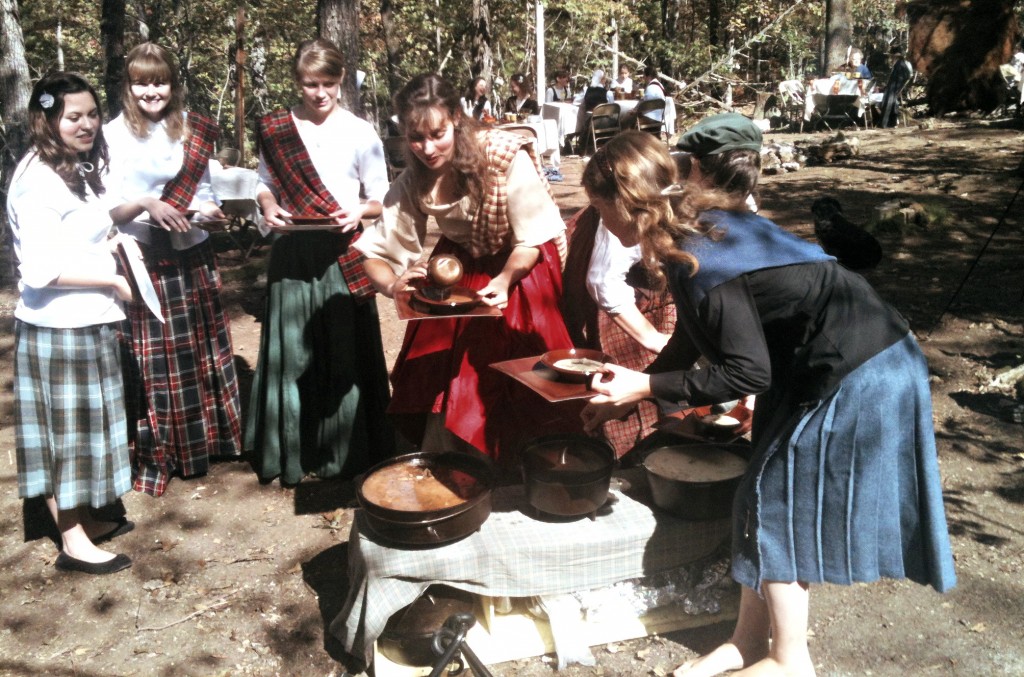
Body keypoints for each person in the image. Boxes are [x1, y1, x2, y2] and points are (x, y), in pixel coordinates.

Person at [579, 123, 956, 677]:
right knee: (757, 494)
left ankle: (789, 659)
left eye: (599, 207)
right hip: (817, 361)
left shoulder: (703, 247)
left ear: (628, 203)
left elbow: (744, 371)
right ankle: (749, 640)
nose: (599, 221)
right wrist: (632, 395)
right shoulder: (686, 230)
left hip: (862, 364)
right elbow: (693, 338)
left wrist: (647, 388)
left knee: (775, 500)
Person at [355, 72, 576, 469]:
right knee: (445, 372)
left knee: (514, 370)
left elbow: (530, 241)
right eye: (416, 138)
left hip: (519, 269)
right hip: (458, 269)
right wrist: (393, 288)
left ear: (456, 117)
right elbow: (375, 251)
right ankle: (459, 465)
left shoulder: (502, 156)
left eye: (437, 134)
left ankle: (527, 467)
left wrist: (505, 280)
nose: (427, 148)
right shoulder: (411, 180)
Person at [245, 38, 394, 485]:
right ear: (298, 82)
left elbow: (382, 196)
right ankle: (293, 450)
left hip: (344, 252)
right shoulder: (276, 128)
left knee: (343, 350)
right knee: (292, 354)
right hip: (292, 252)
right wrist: (268, 205)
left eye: (329, 83)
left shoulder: (360, 131)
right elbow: (263, 181)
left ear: (342, 80)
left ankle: (346, 452)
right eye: (311, 84)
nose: (321, 93)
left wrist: (359, 212)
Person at [9, 72, 135, 575]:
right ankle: (72, 539)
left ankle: (80, 519)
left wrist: (107, 249)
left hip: (87, 322)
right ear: (47, 120)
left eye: (91, 114)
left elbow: (73, 240)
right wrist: (111, 282)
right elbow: (41, 270)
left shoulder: (74, 169)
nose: (85, 125)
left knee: (85, 431)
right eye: (72, 116)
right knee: (66, 436)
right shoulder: (37, 180)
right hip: (58, 328)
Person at [105, 43, 242, 497]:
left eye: (159, 81)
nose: (151, 91)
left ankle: (209, 443)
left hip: (192, 249)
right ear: (128, 86)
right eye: (142, 82)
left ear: (172, 84)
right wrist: (148, 205)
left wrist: (210, 210)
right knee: (157, 357)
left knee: (200, 348)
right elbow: (110, 208)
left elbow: (205, 190)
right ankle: (162, 452)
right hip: (144, 253)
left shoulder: (191, 127)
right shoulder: (111, 135)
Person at [560, 203, 674, 456]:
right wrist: (652, 338)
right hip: (628, 307)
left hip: (651, 302)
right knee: (627, 379)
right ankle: (631, 455)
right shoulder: (624, 210)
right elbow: (604, 279)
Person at [879, 46, 914, 128]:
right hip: (898, 89)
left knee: (886, 98)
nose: (891, 58)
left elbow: (897, 81)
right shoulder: (901, 64)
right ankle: (890, 121)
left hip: (896, 90)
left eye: (892, 56)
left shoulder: (900, 66)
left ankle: (885, 122)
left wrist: (888, 88)